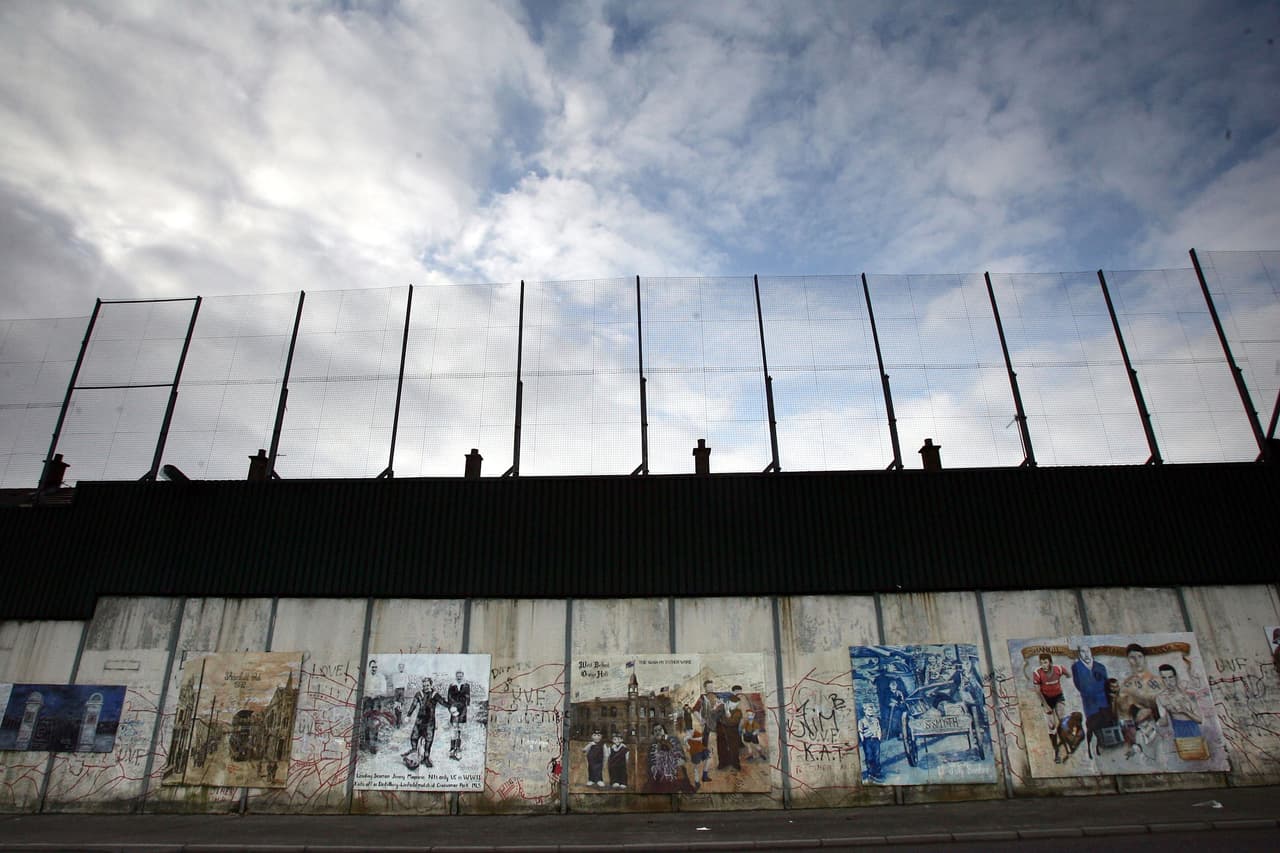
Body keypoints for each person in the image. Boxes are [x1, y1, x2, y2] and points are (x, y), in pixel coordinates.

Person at [1118, 643, 1162, 758]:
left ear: (1144, 658)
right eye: (1132, 657)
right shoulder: (1126, 686)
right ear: (1128, 660)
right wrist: (1131, 743)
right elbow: (1124, 717)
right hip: (1142, 732)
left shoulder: (1158, 681)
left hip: (1163, 728)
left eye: (1140, 656)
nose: (1137, 661)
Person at [1156, 663, 1207, 760]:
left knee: (1200, 756)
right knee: (1186, 758)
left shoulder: (1187, 693)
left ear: (1175, 677)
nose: (1168, 682)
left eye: (1170, 677)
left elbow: (1200, 720)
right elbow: (1164, 722)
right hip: (1178, 730)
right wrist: (1157, 722)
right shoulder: (1160, 697)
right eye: (1164, 678)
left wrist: (1185, 711)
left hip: (1193, 728)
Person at [1031, 653, 1072, 763]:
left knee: (1062, 720)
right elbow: (1037, 691)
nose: (1043, 665)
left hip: (1058, 697)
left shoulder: (1058, 669)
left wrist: (1067, 679)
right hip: (1046, 699)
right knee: (1051, 725)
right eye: (1041, 663)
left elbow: (1069, 675)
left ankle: (1067, 745)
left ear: (1050, 662)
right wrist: (1045, 705)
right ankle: (1056, 751)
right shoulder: (1037, 673)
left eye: (1045, 662)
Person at [403, 676, 445, 769]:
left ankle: (426, 758)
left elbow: (443, 702)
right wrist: (408, 715)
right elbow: (413, 705)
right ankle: (414, 753)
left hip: (430, 722)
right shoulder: (419, 694)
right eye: (424, 685)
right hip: (419, 721)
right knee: (413, 738)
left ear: (431, 685)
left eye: (427, 685)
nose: (425, 687)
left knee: (428, 741)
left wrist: (451, 707)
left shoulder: (435, 695)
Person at [692, 680, 722, 774]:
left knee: (719, 745)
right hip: (707, 726)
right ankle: (706, 768)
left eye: (712, 686)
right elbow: (695, 710)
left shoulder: (717, 696)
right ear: (705, 688)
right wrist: (701, 720)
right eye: (709, 687)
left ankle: (719, 764)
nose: (711, 688)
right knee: (706, 745)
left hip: (718, 724)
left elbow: (722, 709)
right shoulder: (702, 697)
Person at [447, 671, 471, 760]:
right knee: (454, 729)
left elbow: (468, 697)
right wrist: (453, 708)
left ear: (463, 676)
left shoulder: (466, 685)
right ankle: (452, 749)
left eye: (461, 676)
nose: (459, 677)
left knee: (460, 729)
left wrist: (467, 706)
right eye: (458, 676)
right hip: (454, 709)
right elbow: (449, 698)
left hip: (463, 709)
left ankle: (458, 749)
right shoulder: (452, 685)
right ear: (456, 676)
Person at [858, 703, 883, 782]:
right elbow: (860, 731)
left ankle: (877, 772)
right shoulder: (861, 721)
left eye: (872, 710)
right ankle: (871, 773)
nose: (871, 711)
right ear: (865, 711)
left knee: (877, 756)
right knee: (869, 757)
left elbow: (878, 728)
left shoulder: (875, 720)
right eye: (869, 710)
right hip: (867, 741)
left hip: (875, 740)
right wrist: (863, 740)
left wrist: (879, 737)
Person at [391, 661, 410, 727]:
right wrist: (396, 690)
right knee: (396, 706)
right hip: (396, 691)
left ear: (403, 668)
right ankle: (398, 720)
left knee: (400, 707)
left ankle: (399, 722)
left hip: (402, 691)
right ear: (398, 667)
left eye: (402, 667)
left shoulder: (405, 675)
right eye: (400, 667)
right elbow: (394, 683)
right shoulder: (395, 675)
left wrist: (403, 691)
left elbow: (406, 683)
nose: (401, 668)